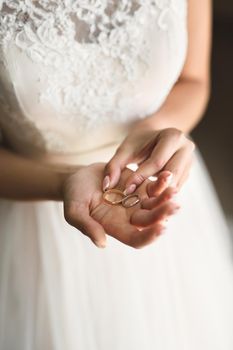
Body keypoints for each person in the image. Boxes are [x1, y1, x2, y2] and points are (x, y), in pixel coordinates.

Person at [0, 1, 233, 349]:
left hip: (160, 198)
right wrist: (63, 182)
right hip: (36, 227)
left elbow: (193, 80)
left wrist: (155, 132)